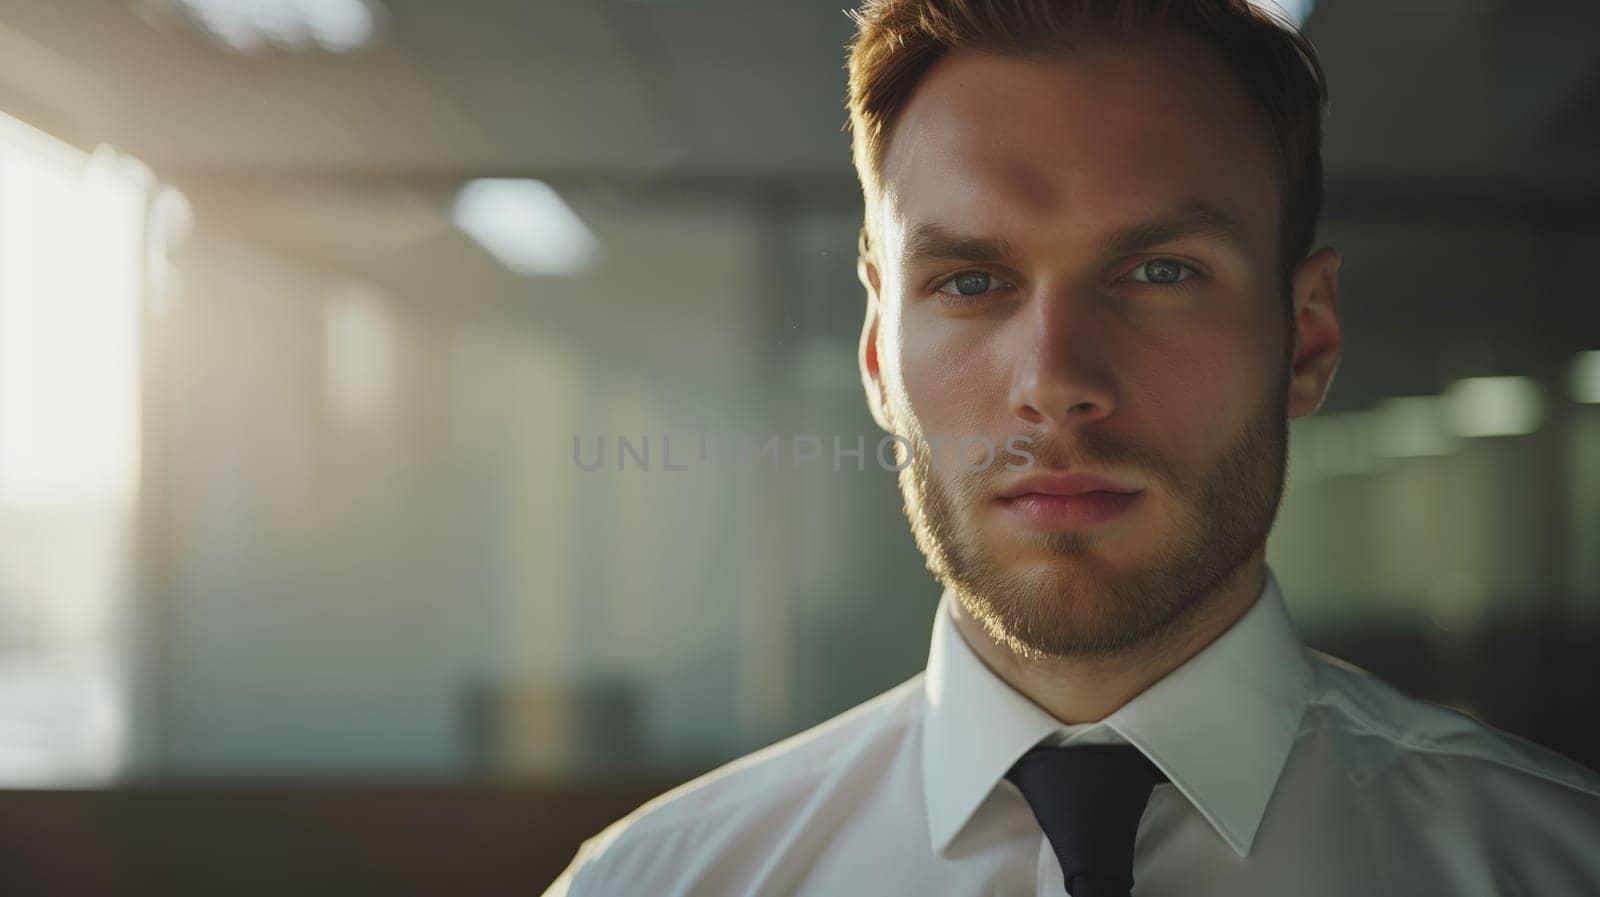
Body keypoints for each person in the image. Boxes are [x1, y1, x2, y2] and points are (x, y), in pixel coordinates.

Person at [544, 1, 1600, 894]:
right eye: (967, 281)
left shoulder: (1555, 864)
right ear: (876, 352)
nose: (1054, 382)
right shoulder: (658, 881)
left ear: (1305, 338)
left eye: (1159, 272)